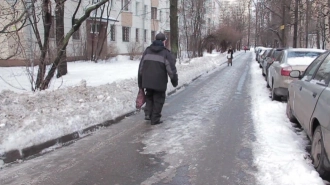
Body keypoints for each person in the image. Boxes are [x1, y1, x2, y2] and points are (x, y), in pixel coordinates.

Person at [138, 32, 178, 125]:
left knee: (149, 97)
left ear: (155, 40)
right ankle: (155, 119)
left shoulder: (147, 51)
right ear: (164, 41)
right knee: (158, 99)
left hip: (147, 81)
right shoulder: (165, 53)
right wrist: (174, 81)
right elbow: (171, 69)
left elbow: (141, 68)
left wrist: (140, 83)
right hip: (159, 82)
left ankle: (148, 114)